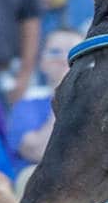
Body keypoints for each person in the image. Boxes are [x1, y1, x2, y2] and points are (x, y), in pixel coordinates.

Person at [6, 28, 78, 163]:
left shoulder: (102, 105)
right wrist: (64, 94)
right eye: (55, 52)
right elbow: (39, 152)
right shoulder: (26, 107)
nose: (63, 59)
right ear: (42, 63)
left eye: (72, 53)